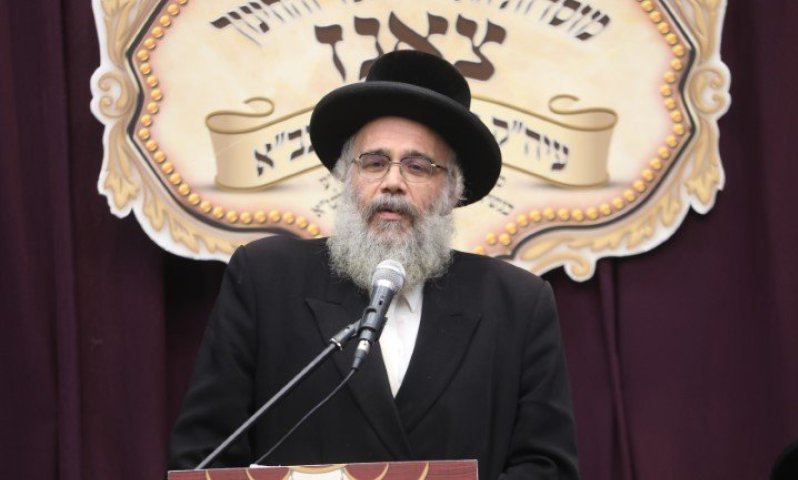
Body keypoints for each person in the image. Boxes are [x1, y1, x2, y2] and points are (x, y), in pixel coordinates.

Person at [168, 50, 580, 479]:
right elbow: (204, 456)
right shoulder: (266, 279)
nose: (393, 182)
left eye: (418, 166)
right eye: (375, 162)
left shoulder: (517, 304)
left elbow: (547, 468)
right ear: (346, 176)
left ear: (452, 191)